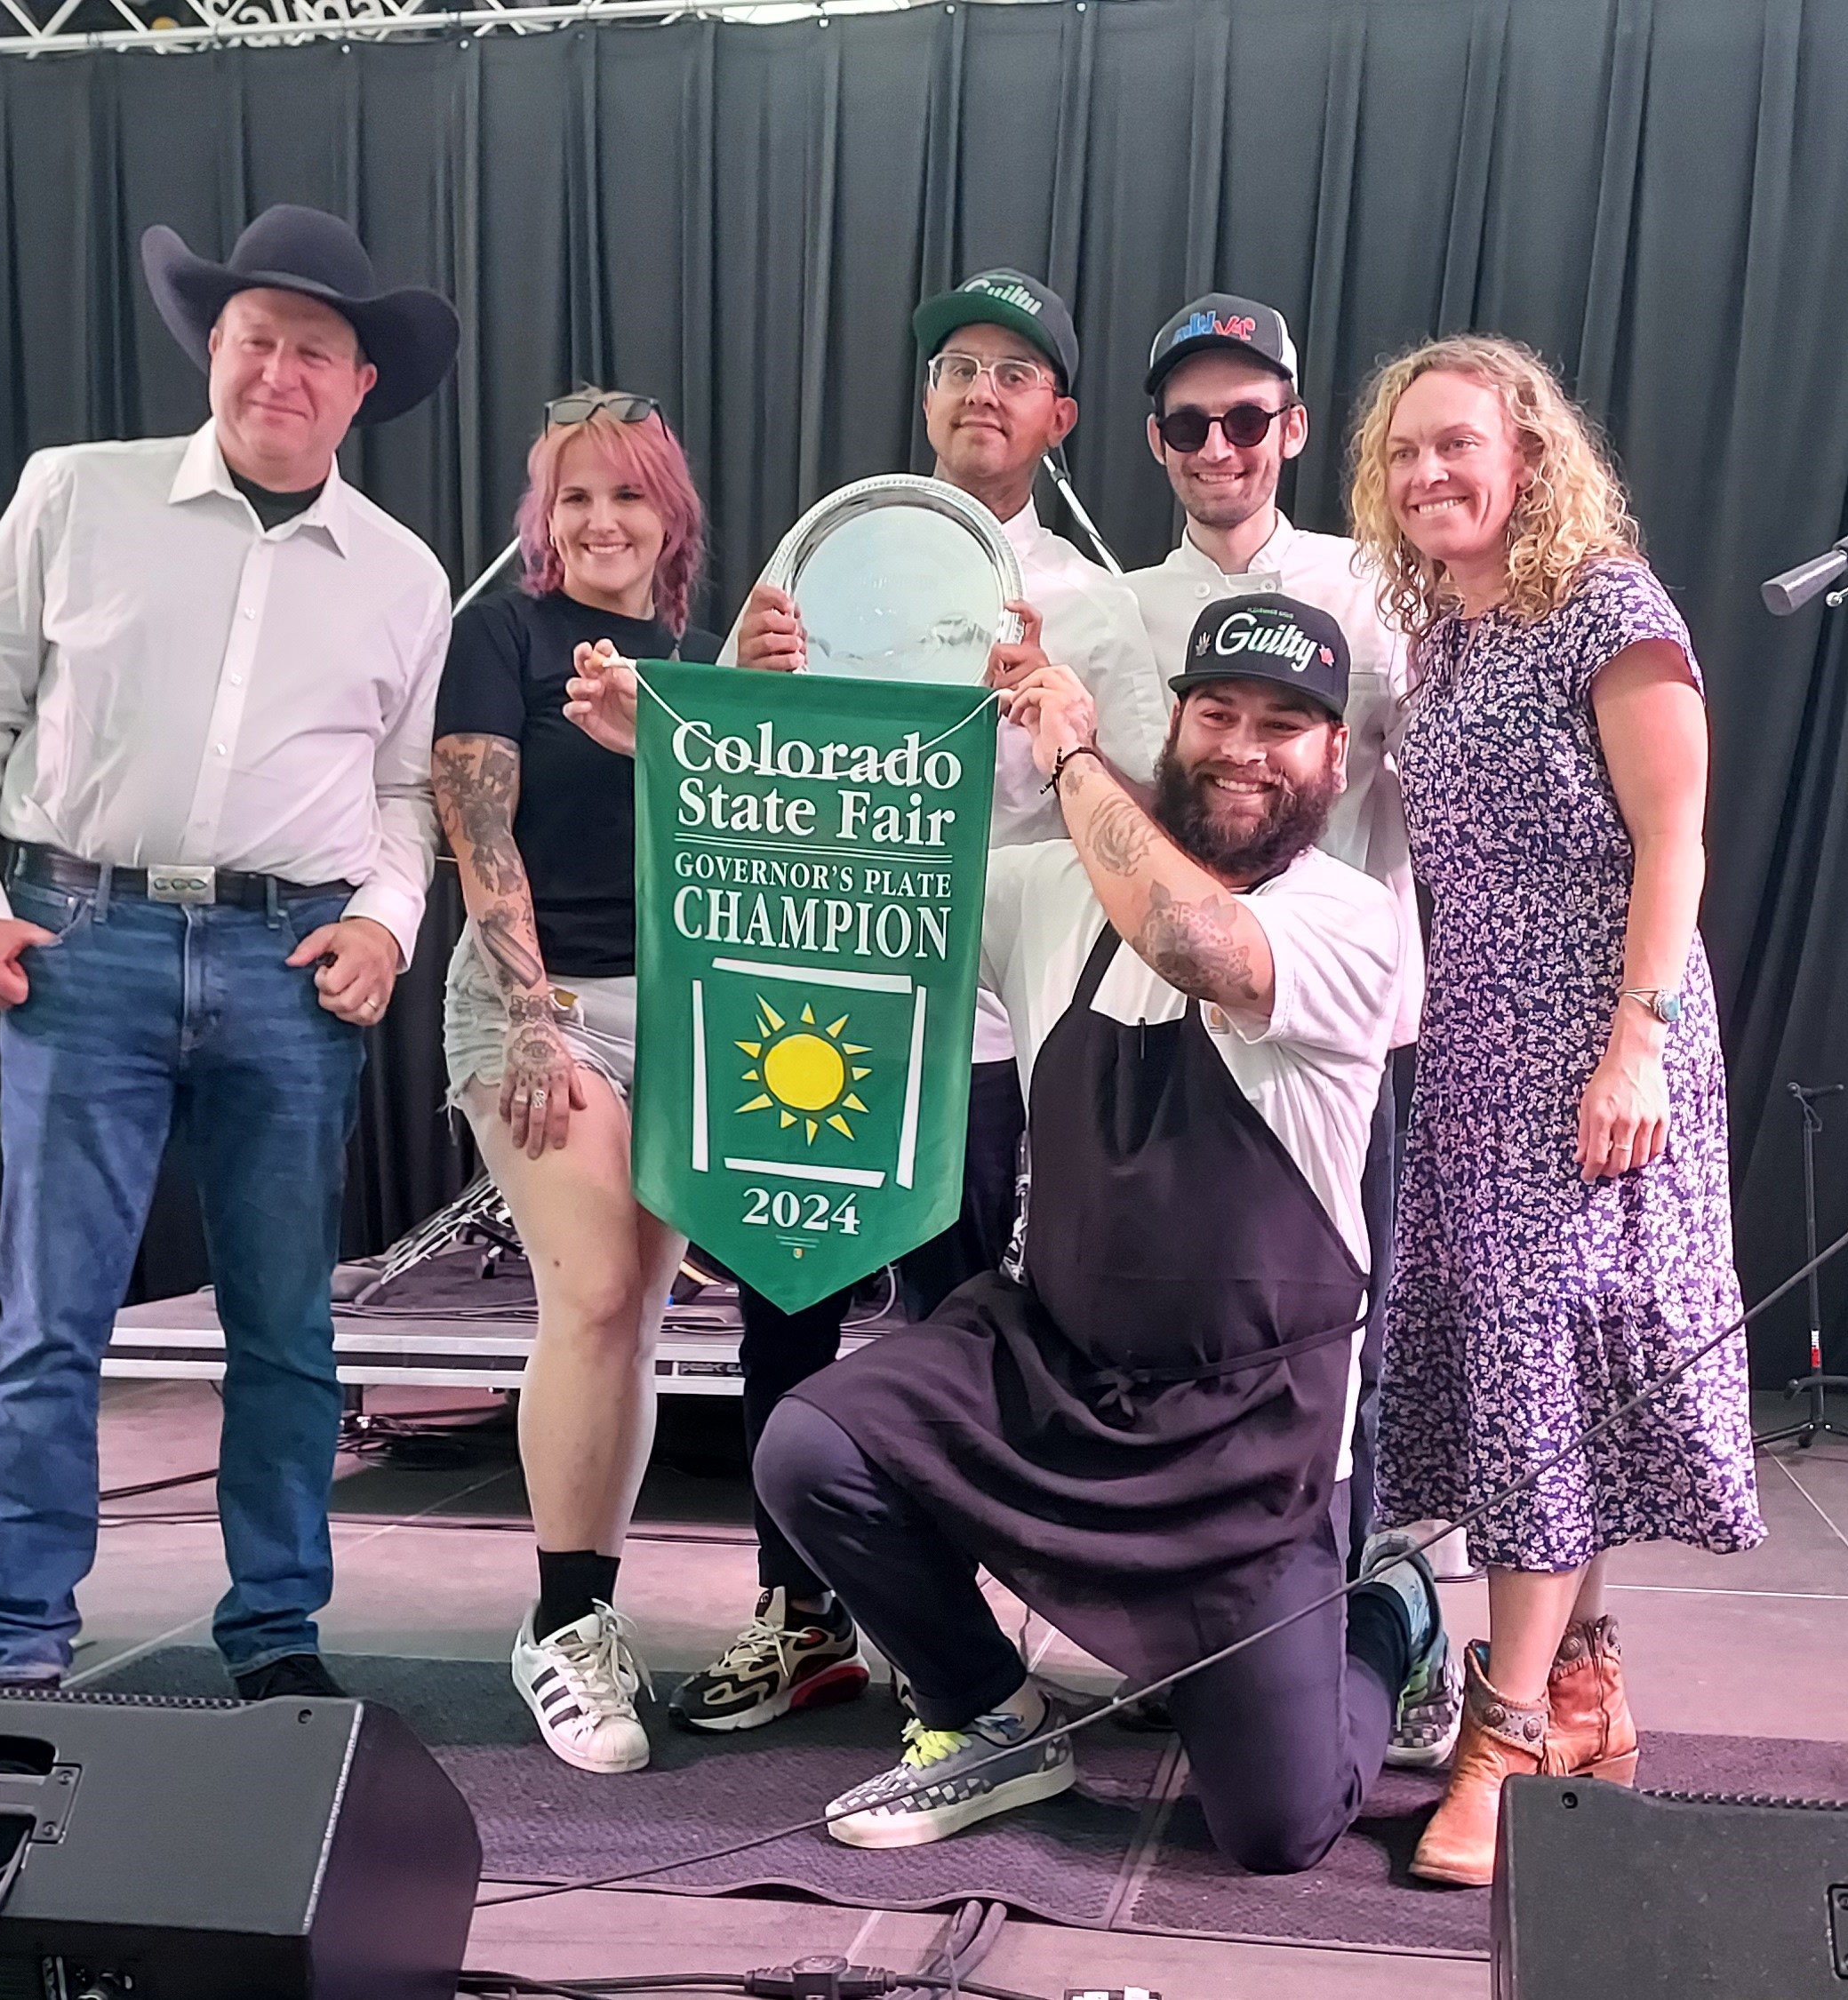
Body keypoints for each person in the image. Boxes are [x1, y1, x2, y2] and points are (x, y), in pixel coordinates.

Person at [726, 593, 1443, 1863]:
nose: (1242, 744)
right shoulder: (1051, 885)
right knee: (811, 1448)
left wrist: (1067, 754)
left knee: (1277, 1828)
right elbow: (827, 870)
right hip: (1050, 1367)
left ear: (1338, 758)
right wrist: (713, 735)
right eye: (1217, 710)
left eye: (1286, 725)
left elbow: (1192, 938)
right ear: (1174, 721)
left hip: (1245, 1433)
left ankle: (1390, 1613)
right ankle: (985, 1708)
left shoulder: (1353, 919)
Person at [0, 205, 458, 1697]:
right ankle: (20, 1635)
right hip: (80, 941)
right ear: (212, 348)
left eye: (315, 351)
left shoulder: (402, 574)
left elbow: (403, 793)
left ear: (360, 388)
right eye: (256, 338)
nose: (281, 369)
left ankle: (275, 1634)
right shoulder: (73, 495)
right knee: (49, 1319)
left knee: (286, 1327)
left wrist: (385, 922)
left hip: (289, 966)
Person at [672, 270, 1172, 1738]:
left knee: (965, 1332)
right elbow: (737, 774)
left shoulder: (1093, 601)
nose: (980, 391)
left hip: (991, 1029)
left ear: (1060, 417)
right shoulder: (831, 555)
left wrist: (1058, 724)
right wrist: (741, 676)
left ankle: (945, 1642)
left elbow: (1146, 807)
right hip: (823, 1005)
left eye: (1016, 373)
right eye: (958, 364)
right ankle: (799, 1613)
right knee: (785, 1304)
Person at [1346, 334, 1764, 1886]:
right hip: (1477, 1049)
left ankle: (1508, 1728)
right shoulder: (1443, 628)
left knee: (1541, 1382)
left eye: (1459, 443)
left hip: (1600, 1047)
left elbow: (1679, 842)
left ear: (1529, 455)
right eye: (1405, 453)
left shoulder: (1612, 611)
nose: (1430, 473)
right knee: (1530, 1384)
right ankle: (1583, 1683)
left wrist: (1636, 1044)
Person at [1120, 292, 1449, 1756]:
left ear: (1295, 428)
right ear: (1154, 439)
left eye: (1246, 418)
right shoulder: (1110, 609)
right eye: (1190, 422)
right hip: (1164, 1031)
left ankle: (1369, 1611)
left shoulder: (1383, 589)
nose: (1218, 445)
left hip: (1336, 1033)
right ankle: (1199, 1633)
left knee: (1348, 1344)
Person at [432, 389, 720, 1774]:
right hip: (533, 997)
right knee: (596, 1290)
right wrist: (535, 1017)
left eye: (628, 496)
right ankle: (559, 1623)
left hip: (676, 1013)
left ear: (673, 516)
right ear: (542, 523)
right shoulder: (502, 635)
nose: (601, 521)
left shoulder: (704, 663)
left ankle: (588, 1614)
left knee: (637, 1314)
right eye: (574, 498)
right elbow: (480, 831)